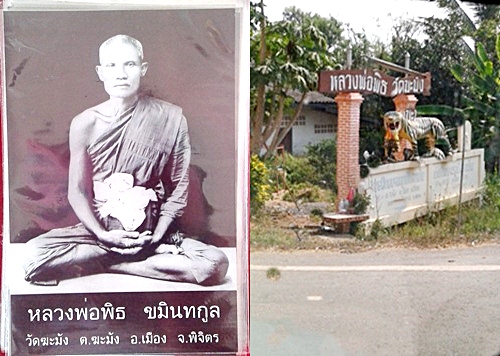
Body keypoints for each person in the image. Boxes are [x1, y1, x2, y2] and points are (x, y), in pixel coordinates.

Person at [22, 34, 229, 286]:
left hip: (152, 231)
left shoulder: (170, 118)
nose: (120, 74)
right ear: (100, 72)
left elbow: (178, 188)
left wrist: (157, 234)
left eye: (129, 65)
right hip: (98, 233)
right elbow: (77, 191)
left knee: (215, 264)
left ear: (143, 69)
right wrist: (102, 234)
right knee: (32, 256)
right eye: (111, 66)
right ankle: (115, 257)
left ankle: (118, 265)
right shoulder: (85, 123)